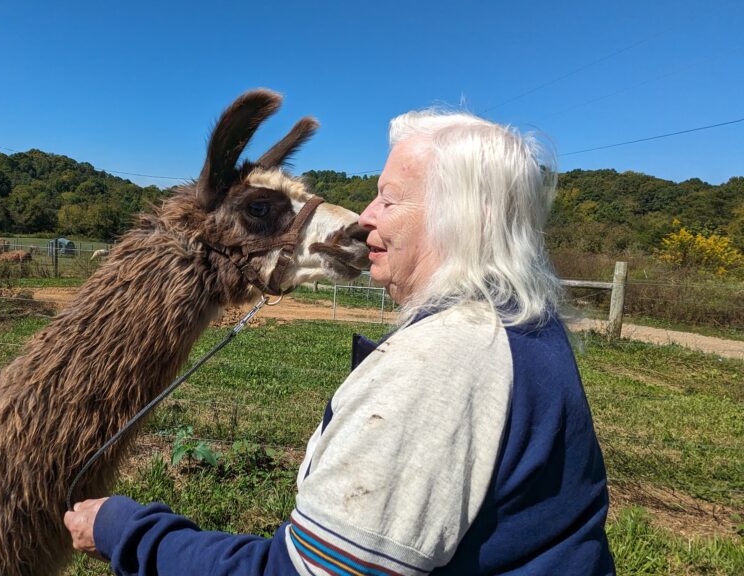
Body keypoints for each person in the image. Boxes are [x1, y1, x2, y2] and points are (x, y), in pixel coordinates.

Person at [65, 109, 615, 575]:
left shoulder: (444, 362)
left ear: (460, 216)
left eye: (389, 200)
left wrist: (129, 532)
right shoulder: (523, 326)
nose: (364, 217)